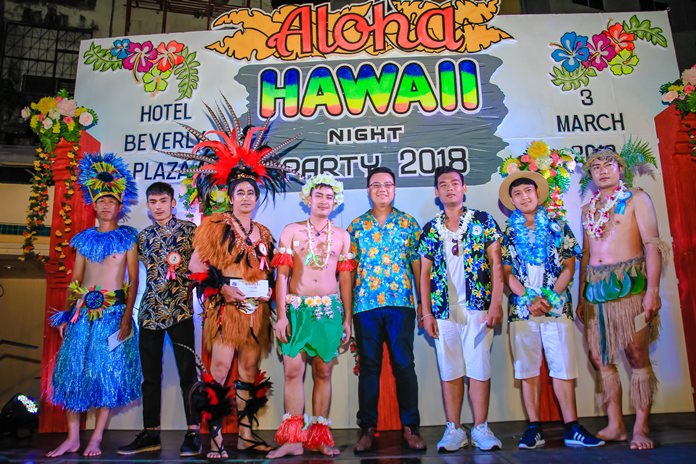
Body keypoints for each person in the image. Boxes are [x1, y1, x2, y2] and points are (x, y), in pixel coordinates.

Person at [160, 101, 299, 459]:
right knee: (220, 370)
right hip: (225, 309)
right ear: (231, 196)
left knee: (250, 371)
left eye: (251, 192)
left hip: (256, 310)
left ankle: (250, 434)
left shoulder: (265, 231)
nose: (246, 197)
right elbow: (194, 265)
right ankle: (217, 440)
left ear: (257, 197)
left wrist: (269, 291)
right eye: (240, 192)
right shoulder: (215, 225)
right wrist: (222, 286)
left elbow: (270, 270)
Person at [499, 170, 604, 449]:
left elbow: (570, 265)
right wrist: (529, 299)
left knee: (563, 366)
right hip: (522, 310)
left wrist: (549, 296)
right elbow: (505, 271)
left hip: (556, 306)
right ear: (512, 200)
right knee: (527, 369)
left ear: (537, 194)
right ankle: (534, 428)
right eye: (517, 194)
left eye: (528, 192)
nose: (524, 197)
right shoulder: (507, 231)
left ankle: (572, 426)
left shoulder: (558, 225)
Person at [46, 153, 140, 458]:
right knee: (72, 375)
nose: (105, 205)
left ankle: (96, 437)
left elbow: (134, 281)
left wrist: (127, 318)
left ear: (119, 206)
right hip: (82, 316)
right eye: (100, 200)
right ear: (94, 205)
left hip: (113, 315)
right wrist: (66, 314)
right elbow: (76, 280)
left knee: (107, 376)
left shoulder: (127, 239)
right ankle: (72, 438)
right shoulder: (83, 240)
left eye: (111, 201)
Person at [577, 146, 668, 450]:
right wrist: (580, 296)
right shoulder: (588, 209)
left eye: (608, 165)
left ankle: (641, 427)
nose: (602, 171)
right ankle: (615, 424)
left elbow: (652, 245)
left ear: (620, 169)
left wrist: (652, 290)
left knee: (636, 355)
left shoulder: (637, 199)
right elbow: (586, 253)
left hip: (630, 286)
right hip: (595, 290)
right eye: (596, 167)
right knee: (600, 357)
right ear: (590, 175)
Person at [267, 174, 355, 459]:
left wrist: (347, 319)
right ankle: (293, 439)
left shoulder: (342, 236)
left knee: (323, 372)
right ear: (308, 199)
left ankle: (319, 437)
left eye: (329, 197)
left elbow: (345, 281)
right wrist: (281, 315)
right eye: (319, 196)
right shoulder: (291, 231)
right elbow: (281, 277)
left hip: (328, 311)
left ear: (336, 202)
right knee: (293, 371)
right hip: (296, 310)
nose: (324, 201)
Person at [419, 166, 504, 452]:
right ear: (436, 192)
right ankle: (454, 428)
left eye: (455, 183)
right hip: (443, 311)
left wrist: (496, 303)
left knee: (479, 367)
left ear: (464, 188)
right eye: (443, 184)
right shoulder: (431, 228)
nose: (450, 188)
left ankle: (481, 427)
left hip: (479, 307)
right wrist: (427, 312)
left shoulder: (483, 220)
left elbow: (496, 263)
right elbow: (424, 273)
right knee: (450, 369)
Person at [117, 182, 200, 456]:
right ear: (148, 206)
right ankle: (150, 433)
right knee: (150, 377)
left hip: (181, 311)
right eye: (153, 202)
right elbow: (134, 274)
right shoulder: (143, 237)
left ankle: (194, 432)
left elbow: (202, 266)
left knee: (188, 374)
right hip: (150, 312)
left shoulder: (190, 230)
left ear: (173, 202)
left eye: (163, 200)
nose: (158, 206)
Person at [347, 167, 426, 453]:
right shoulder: (356, 227)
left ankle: (410, 427)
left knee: (404, 365)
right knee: (369, 368)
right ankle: (366, 429)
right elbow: (349, 273)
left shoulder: (408, 224)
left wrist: (422, 304)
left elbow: (418, 266)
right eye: (376, 184)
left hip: (401, 304)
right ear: (368, 190)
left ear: (394, 189)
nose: (382, 188)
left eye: (387, 184)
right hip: (365, 305)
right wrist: (347, 311)